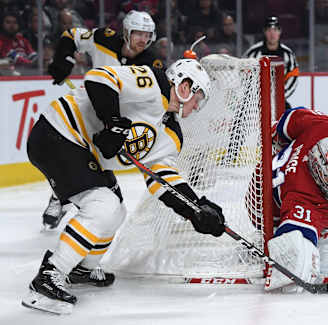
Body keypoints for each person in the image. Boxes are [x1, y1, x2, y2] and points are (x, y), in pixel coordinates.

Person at [21, 59, 226, 314]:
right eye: (199, 98)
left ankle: (81, 268)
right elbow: (99, 78)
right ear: (185, 86)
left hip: (83, 151)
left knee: (116, 211)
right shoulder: (154, 82)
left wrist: (195, 208)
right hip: (58, 131)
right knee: (102, 205)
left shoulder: (172, 134)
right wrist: (112, 122)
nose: (197, 107)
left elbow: (163, 180)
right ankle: (48, 278)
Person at [42, 10, 163, 230]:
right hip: (86, 109)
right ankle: (58, 196)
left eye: (148, 35)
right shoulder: (104, 38)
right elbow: (71, 35)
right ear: (126, 32)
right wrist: (64, 59)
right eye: (138, 34)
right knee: (75, 156)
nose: (144, 40)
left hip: (112, 120)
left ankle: (67, 198)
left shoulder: (151, 63)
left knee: (93, 163)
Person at [262, 107, 328, 293]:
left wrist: (278, 133)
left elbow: (292, 117)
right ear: (316, 167)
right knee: (301, 241)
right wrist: (296, 266)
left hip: (279, 171)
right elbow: (289, 240)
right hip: (262, 203)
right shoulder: (301, 193)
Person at [244, 16, 299, 109]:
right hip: (255, 103)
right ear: (265, 32)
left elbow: (293, 77)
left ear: (280, 32)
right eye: (269, 30)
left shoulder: (288, 54)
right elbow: (244, 76)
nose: (272, 34)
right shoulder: (253, 52)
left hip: (280, 101)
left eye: (275, 30)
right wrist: (254, 96)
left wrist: (280, 96)